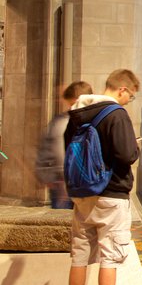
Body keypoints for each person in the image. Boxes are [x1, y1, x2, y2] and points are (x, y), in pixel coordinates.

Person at [64, 69, 142, 285]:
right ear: (122, 89)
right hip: (111, 194)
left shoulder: (77, 113)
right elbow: (126, 155)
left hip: (82, 192)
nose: (128, 101)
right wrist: (136, 147)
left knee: (80, 255)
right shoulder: (116, 114)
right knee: (110, 256)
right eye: (130, 96)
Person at [37, 81, 93, 209]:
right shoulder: (59, 122)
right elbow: (48, 149)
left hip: (85, 182)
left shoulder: (94, 121)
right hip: (63, 184)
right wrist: (48, 176)